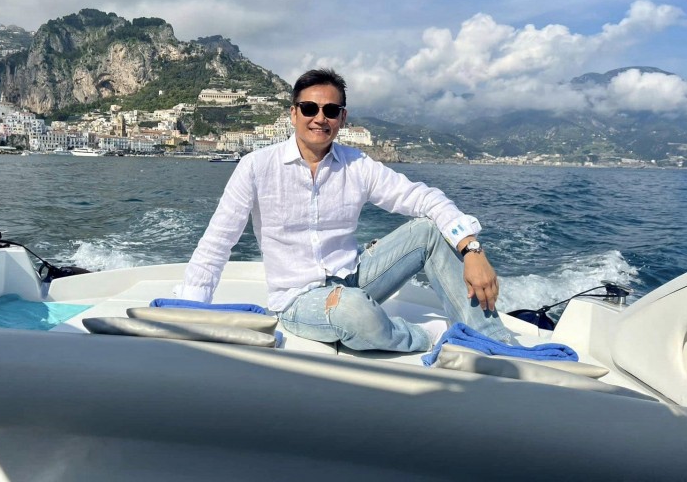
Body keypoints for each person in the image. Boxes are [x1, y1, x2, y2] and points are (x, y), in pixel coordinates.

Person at [176, 68, 512, 352]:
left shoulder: (357, 165)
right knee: (353, 312)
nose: (319, 118)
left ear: (342, 118)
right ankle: (432, 337)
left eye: (331, 110)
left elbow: (424, 198)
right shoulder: (256, 167)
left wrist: (471, 248)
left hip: (354, 277)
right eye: (309, 108)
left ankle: (491, 341)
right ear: (293, 114)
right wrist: (191, 309)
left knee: (429, 230)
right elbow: (218, 241)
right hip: (297, 298)